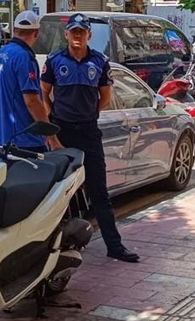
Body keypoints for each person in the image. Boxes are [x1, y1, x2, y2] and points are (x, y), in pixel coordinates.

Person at [41, 13, 139, 263]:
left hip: (88, 131)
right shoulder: (54, 60)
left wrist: (89, 112)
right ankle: (53, 248)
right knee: (59, 191)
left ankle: (114, 246)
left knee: (99, 190)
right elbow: (44, 93)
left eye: (81, 32)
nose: (77, 35)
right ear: (66, 34)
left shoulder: (99, 61)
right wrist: (52, 119)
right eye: (73, 31)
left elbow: (105, 97)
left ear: (89, 35)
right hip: (62, 131)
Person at [0, 10, 62, 153]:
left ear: (14, 31)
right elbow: (32, 101)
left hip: (2, 139)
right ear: (36, 33)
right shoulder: (24, 58)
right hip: (25, 141)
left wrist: (5, 99)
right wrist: (52, 139)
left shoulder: (1, 53)